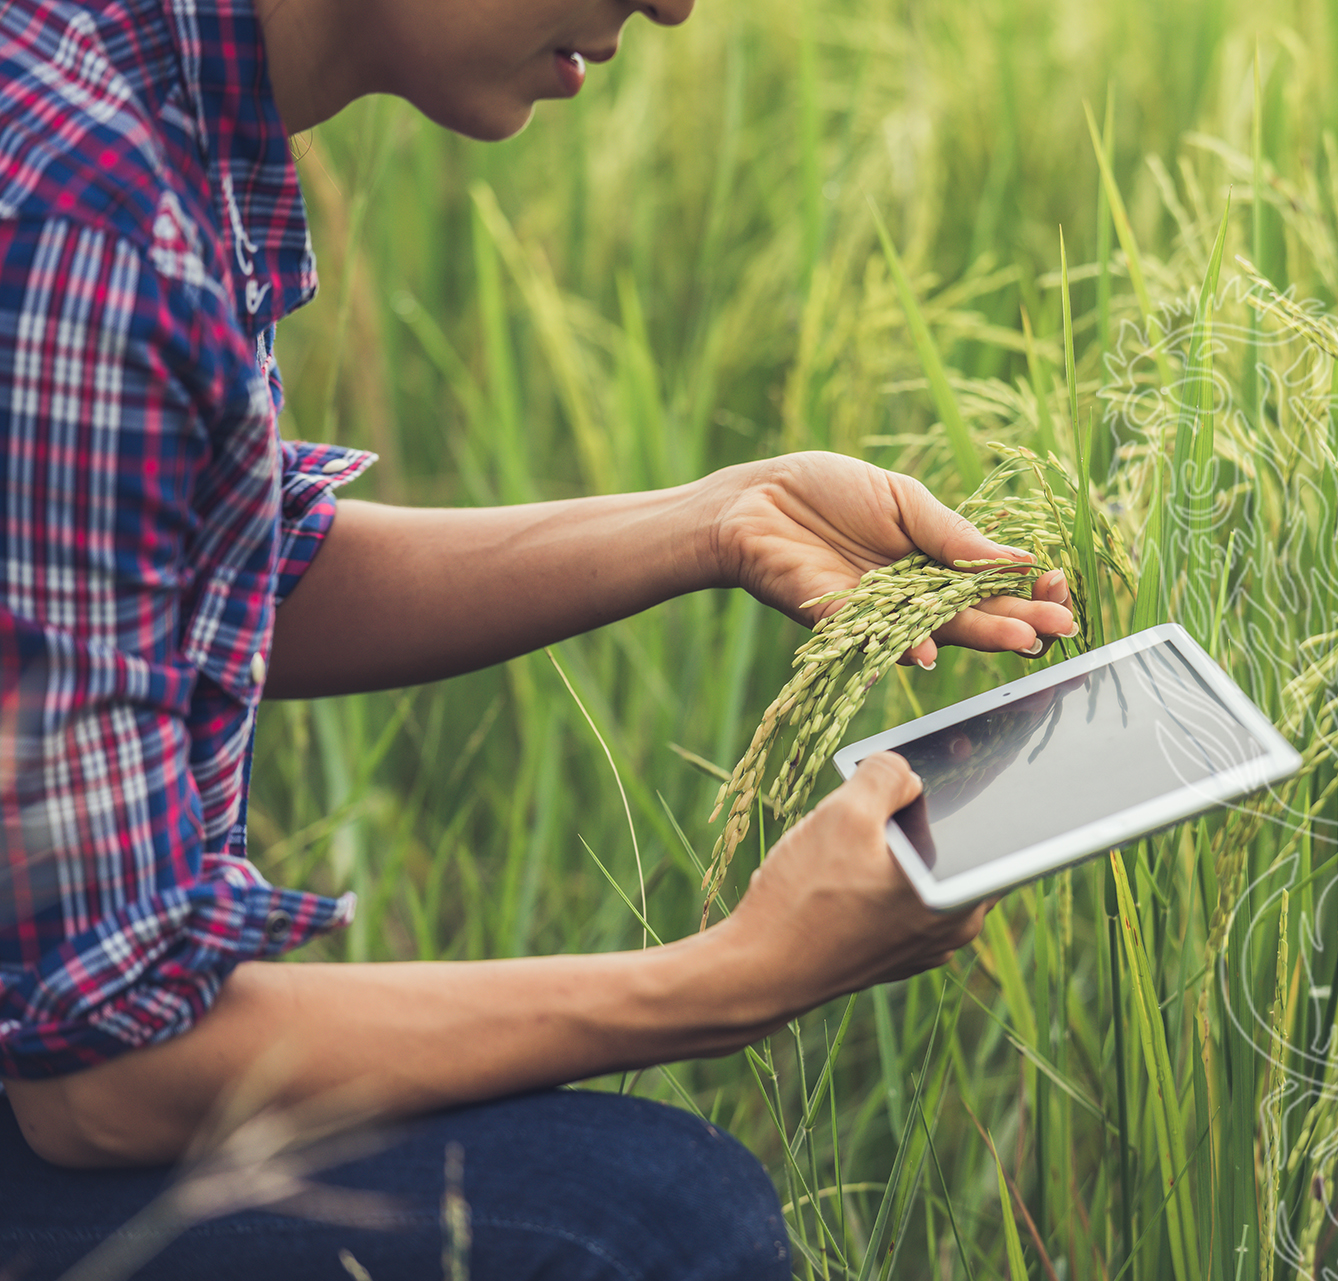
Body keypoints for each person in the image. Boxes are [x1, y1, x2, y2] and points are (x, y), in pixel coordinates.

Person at [0, 0, 1076, 1274]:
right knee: (648, 1221)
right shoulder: (89, 218)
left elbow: (174, 578)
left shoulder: (137, 98)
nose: (673, 3)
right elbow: (108, 1077)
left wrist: (720, 517)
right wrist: (737, 975)